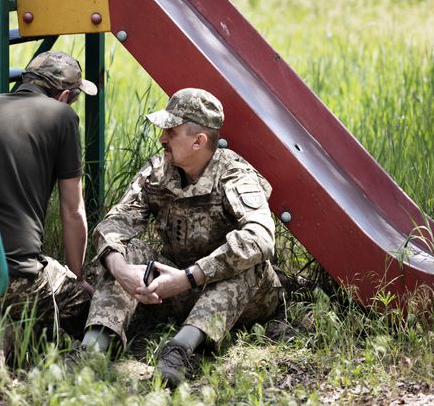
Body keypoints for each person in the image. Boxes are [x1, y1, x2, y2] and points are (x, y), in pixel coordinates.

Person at [77, 88, 282, 387]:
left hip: (241, 298)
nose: (161, 139)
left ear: (199, 141)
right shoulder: (157, 172)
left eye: (170, 132)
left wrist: (188, 277)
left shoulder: (234, 174)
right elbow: (114, 224)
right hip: (175, 286)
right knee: (125, 251)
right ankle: (92, 350)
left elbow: (261, 237)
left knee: (247, 260)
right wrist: (122, 270)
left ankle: (183, 350)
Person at [0, 51, 97, 370]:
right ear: (65, 95)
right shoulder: (62, 116)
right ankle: (4, 333)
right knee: (83, 306)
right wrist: (77, 276)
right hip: (12, 272)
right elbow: (73, 210)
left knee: (6, 290)